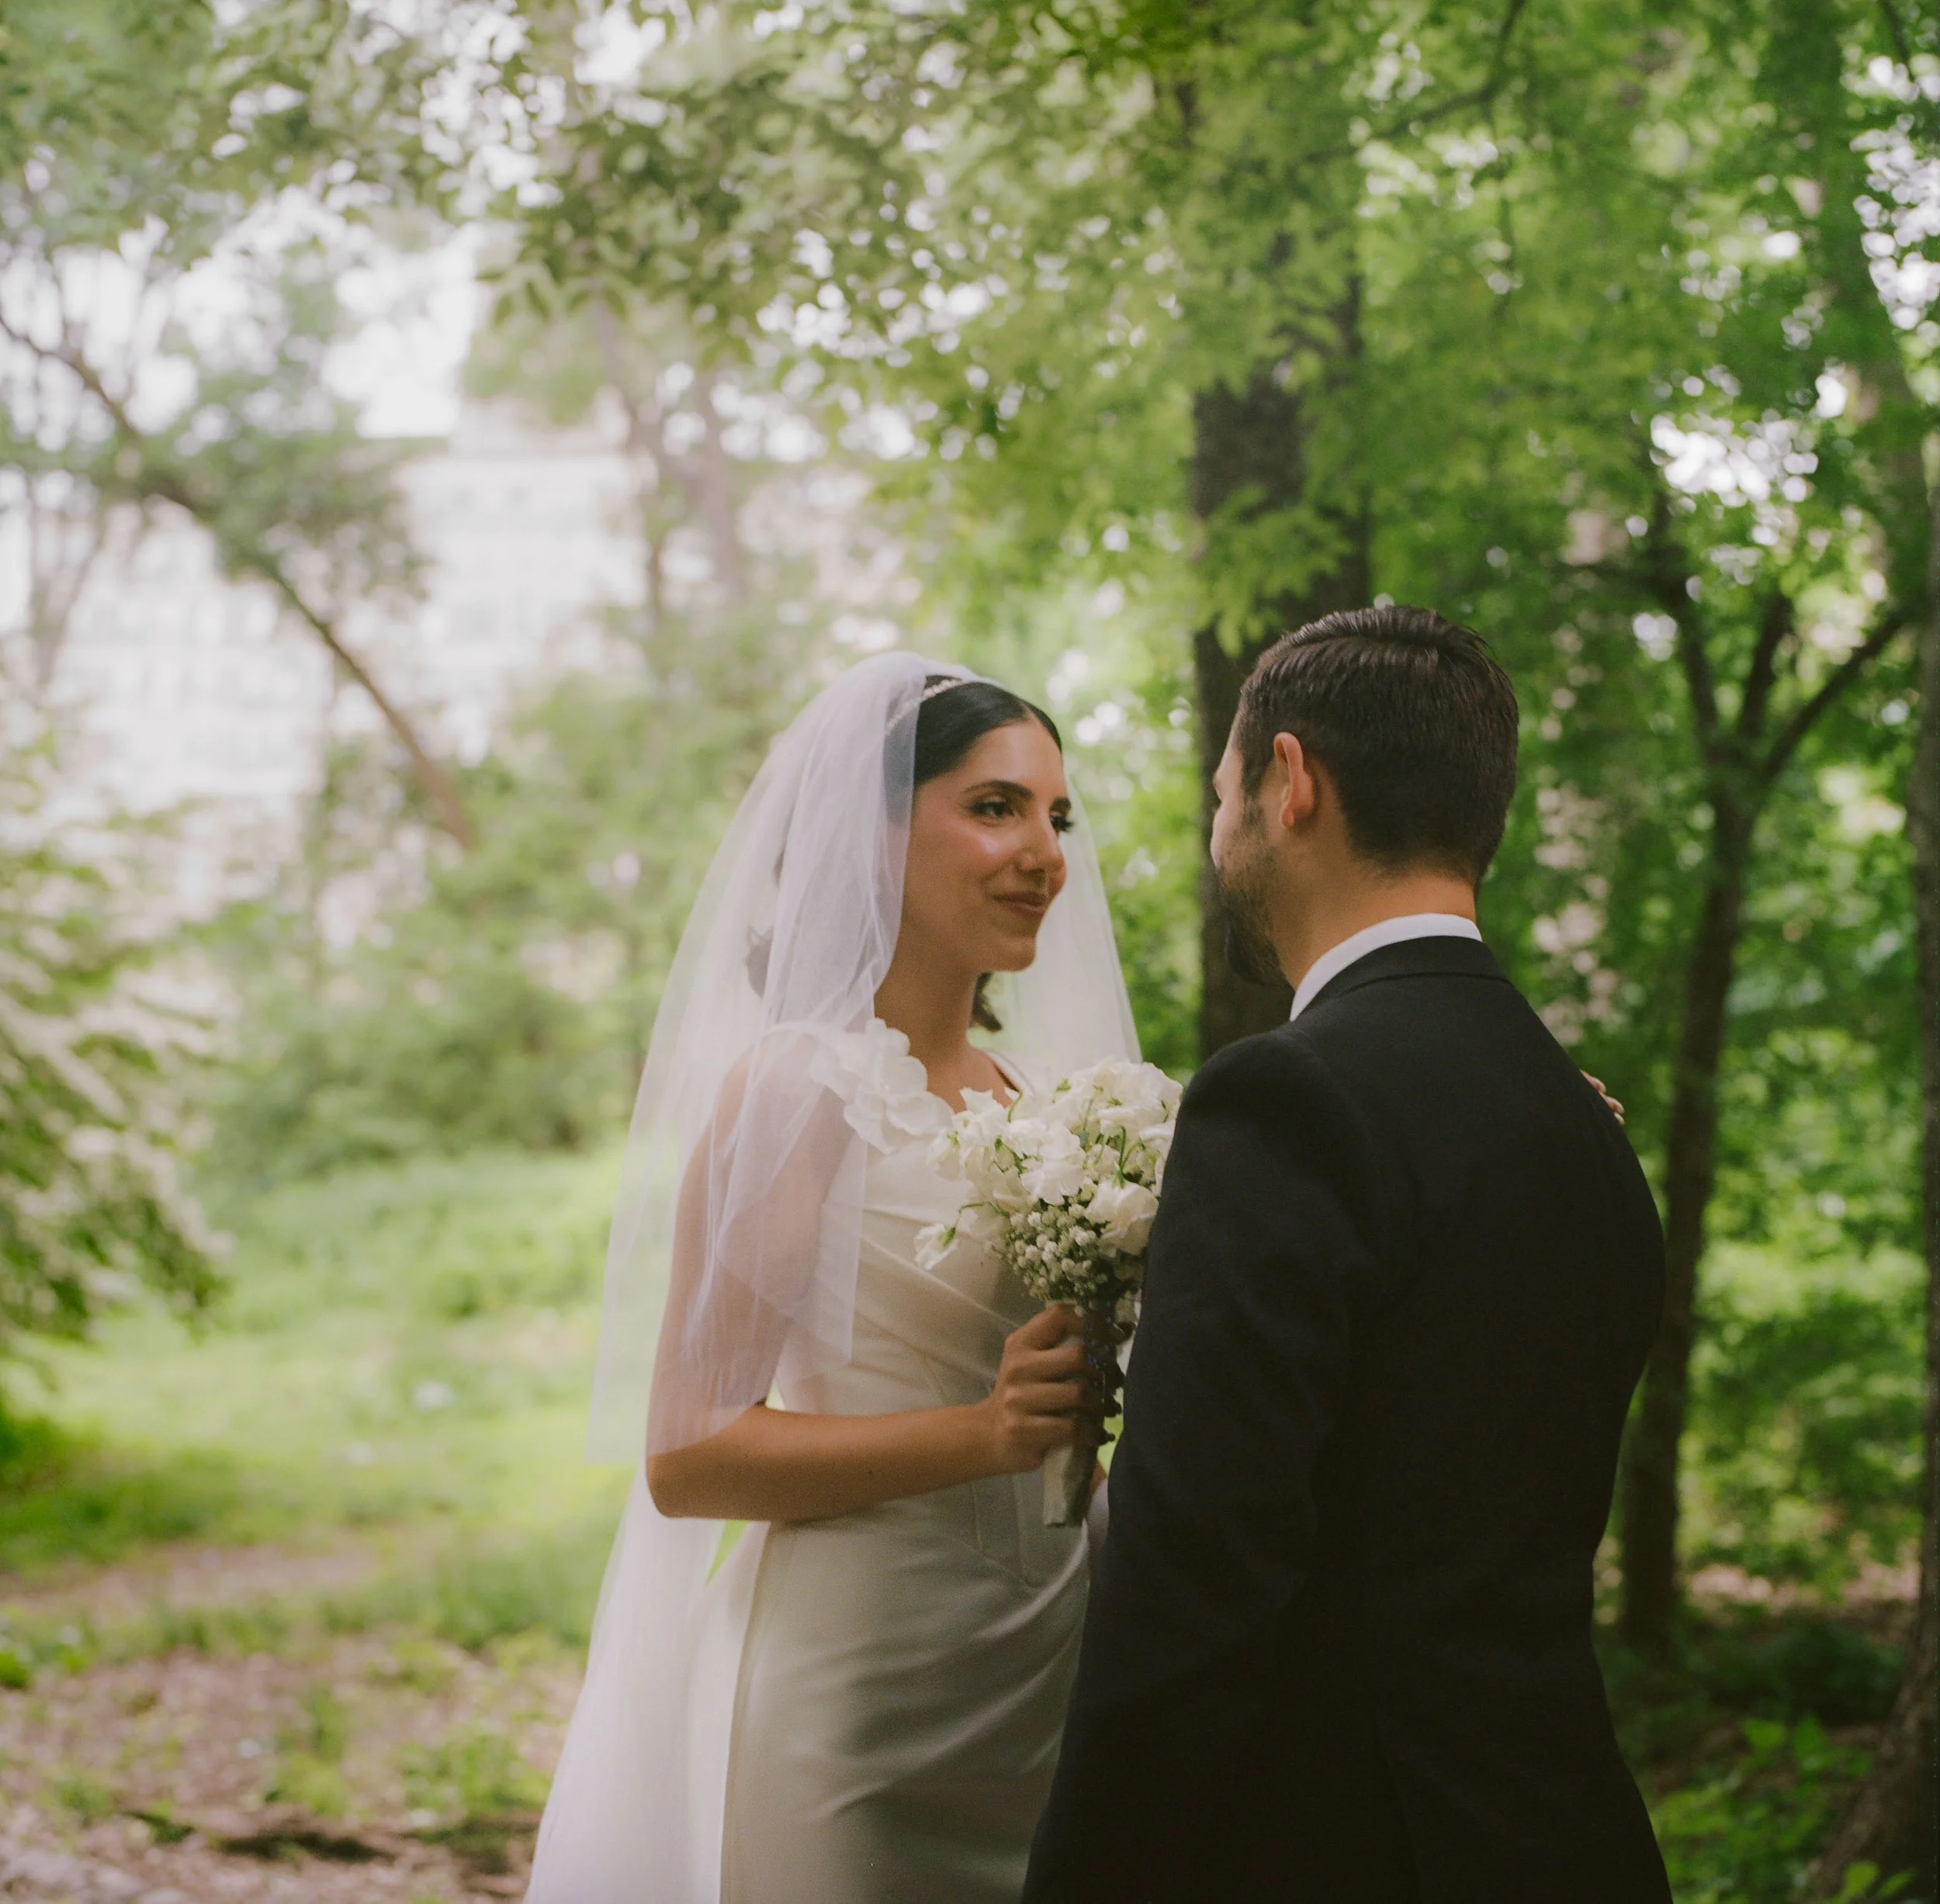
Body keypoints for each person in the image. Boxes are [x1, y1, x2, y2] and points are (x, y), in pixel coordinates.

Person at [1024, 607, 1672, 1903]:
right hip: (1563, 1831)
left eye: (1224, 794)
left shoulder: (1285, 1101)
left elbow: (1192, 1583)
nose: (1221, 834)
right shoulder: (1585, 1121)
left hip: (1346, 1844)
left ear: (1290, 779)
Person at [525, 653, 1139, 1904]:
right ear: (868, 840)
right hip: (869, 1698)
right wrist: (983, 1432)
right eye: (994, 806)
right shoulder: (800, 1089)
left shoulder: (1062, 1108)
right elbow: (691, 1456)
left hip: (1053, 1675)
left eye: (1056, 816)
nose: (1044, 854)